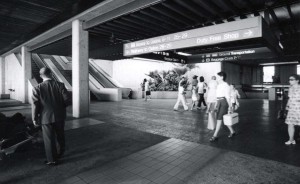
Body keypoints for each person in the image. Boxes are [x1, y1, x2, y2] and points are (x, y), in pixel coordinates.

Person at [32, 67, 71, 165]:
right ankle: (60, 153)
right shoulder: (60, 85)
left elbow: (35, 105)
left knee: (49, 139)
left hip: (45, 117)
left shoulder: (37, 88)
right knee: (60, 135)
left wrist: (34, 118)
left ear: (41, 76)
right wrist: (59, 108)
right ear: (51, 74)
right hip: (59, 116)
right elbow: (67, 100)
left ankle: (52, 160)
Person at [210, 72, 235, 142]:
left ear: (222, 77)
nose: (216, 78)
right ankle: (232, 131)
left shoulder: (225, 85)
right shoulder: (218, 85)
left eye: (218, 76)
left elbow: (228, 97)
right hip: (218, 102)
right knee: (222, 119)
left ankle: (215, 135)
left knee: (219, 119)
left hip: (224, 102)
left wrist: (230, 106)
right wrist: (215, 104)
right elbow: (217, 95)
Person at [284, 74, 300, 145]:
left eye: (292, 79)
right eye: (289, 79)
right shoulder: (290, 88)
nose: (289, 81)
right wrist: (287, 105)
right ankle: (291, 140)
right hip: (292, 109)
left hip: (299, 108)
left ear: (297, 80)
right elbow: (290, 98)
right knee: (290, 124)